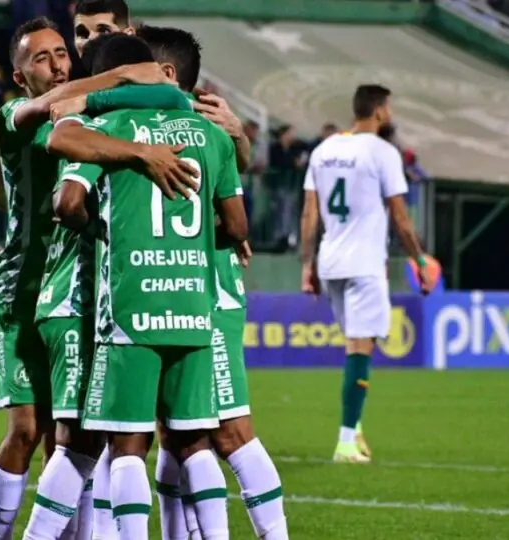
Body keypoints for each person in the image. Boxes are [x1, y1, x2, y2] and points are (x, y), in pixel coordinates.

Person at [0, 17, 197, 540]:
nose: (57, 65)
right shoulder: (19, 113)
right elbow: (32, 167)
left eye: (60, 54)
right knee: (27, 429)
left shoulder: (85, 116)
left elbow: (10, 199)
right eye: (41, 58)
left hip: (74, 290)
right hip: (21, 292)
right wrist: (123, 77)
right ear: (20, 76)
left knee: (70, 436)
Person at [48, 33, 248, 540]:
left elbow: (67, 200)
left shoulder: (108, 127)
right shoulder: (209, 133)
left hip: (132, 305)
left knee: (127, 445)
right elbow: (238, 227)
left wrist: (102, 231)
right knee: (195, 442)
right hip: (193, 305)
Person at [133, 24, 287, 540]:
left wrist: (238, 134)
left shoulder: (201, 126)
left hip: (207, 295)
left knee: (230, 432)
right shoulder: (148, 123)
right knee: (176, 434)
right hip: (167, 292)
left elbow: (233, 209)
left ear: (165, 73)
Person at [299, 84, 434, 464]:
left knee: (355, 347)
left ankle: (354, 428)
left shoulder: (324, 150)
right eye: (389, 107)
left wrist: (307, 264)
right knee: (361, 350)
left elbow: (309, 213)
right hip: (364, 263)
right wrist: (420, 261)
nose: (390, 114)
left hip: (331, 262)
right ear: (378, 111)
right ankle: (345, 441)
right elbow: (401, 218)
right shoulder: (382, 152)